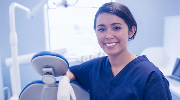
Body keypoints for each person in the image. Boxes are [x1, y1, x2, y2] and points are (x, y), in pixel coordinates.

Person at [57, 2, 172, 100]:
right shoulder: (95, 67)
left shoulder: (150, 76)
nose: (108, 35)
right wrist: (64, 81)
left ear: (131, 31)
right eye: (101, 29)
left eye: (116, 28)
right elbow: (71, 71)